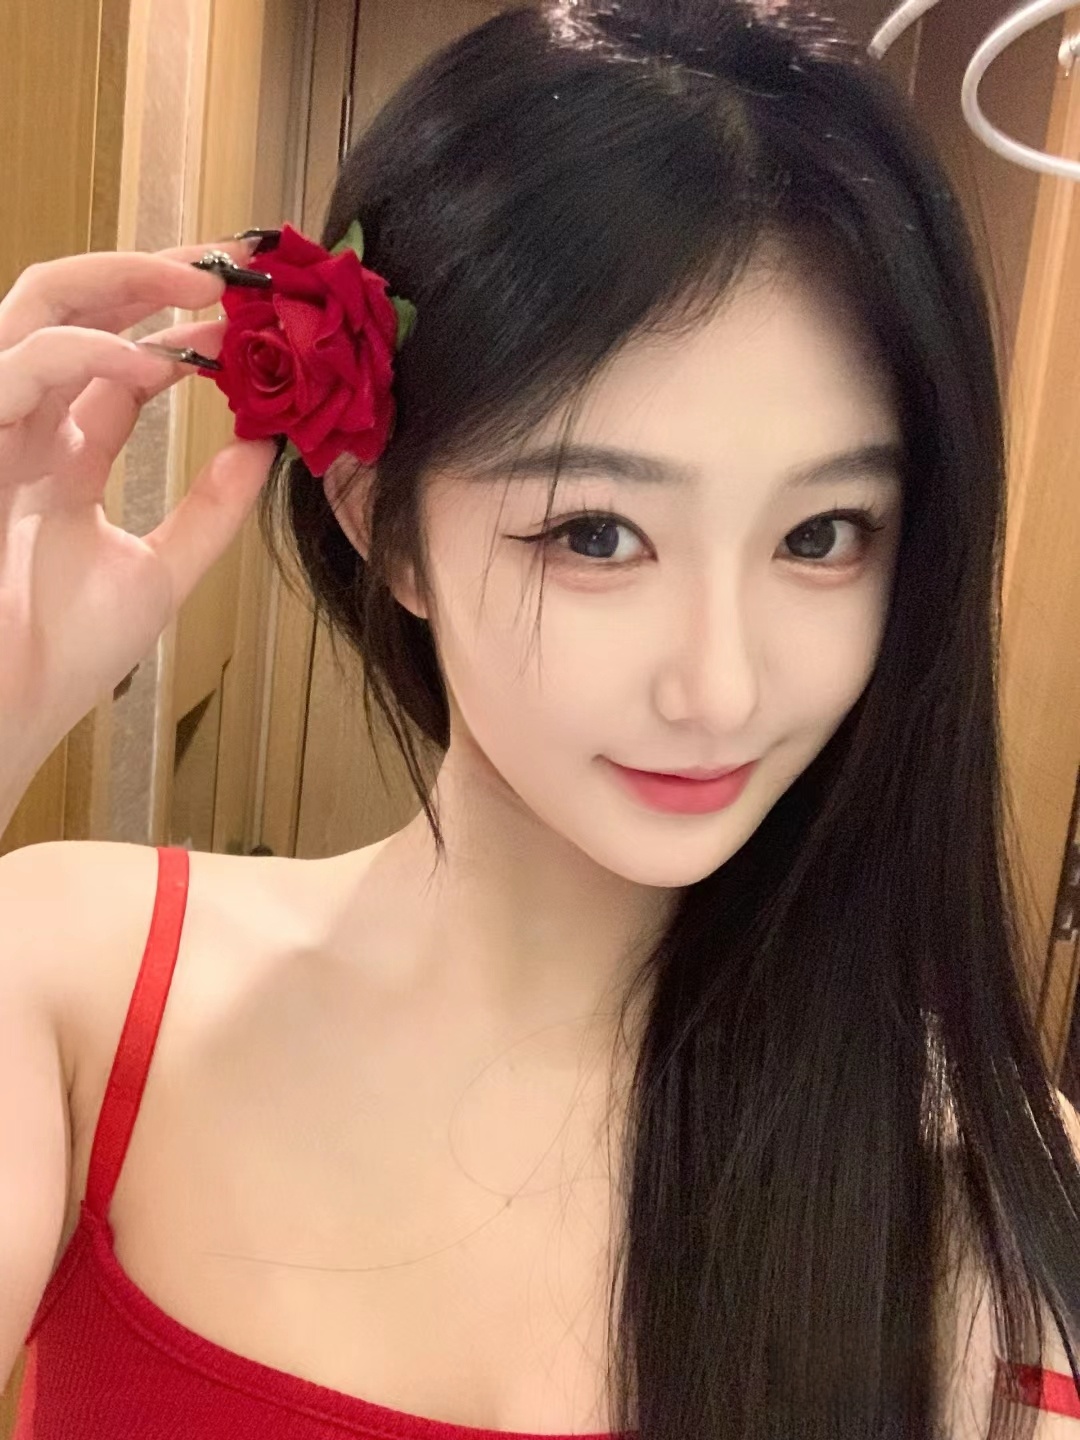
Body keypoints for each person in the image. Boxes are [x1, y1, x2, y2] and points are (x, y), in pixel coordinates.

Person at [2, 1, 1080, 1436]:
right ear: (383, 524)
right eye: (595, 533)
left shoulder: (1003, 1207)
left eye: (821, 535)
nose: (721, 687)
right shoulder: (74, 986)